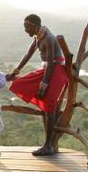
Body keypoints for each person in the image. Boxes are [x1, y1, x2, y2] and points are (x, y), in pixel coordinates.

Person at [7, 14, 69, 156]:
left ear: (35, 25)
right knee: (20, 83)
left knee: (49, 106)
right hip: (48, 70)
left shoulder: (48, 38)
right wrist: (16, 70)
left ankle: (48, 145)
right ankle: (48, 144)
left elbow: (52, 65)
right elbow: (28, 54)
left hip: (56, 71)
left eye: (27, 27)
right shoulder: (39, 36)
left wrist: (44, 85)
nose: (25, 30)